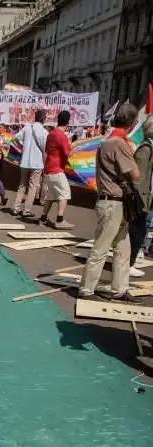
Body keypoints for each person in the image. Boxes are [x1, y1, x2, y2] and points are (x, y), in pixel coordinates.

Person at [79, 104, 142, 305]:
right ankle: (86, 289)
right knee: (102, 247)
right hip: (113, 203)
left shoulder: (108, 140)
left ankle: (120, 289)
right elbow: (135, 175)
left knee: (123, 249)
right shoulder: (118, 143)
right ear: (132, 123)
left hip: (114, 203)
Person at [39, 110, 74, 230]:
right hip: (56, 169)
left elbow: (48, 150)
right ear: (68, 122)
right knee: (65, 193)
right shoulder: (61, 136)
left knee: (51, 196)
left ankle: (43, 218)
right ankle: (60, 220)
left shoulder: (52, 133)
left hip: (49, 169)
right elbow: (67, 153)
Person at [128, 114, 153, 274]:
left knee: (140, 232)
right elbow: (139, 177)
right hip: (140, 199)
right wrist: (141, 200)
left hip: (145, 197)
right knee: (137, 232)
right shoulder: (145, 149)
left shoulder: (149, 146)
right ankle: (128, 264)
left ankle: (129, 262)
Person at [13, 108, 47, 219]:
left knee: (22, 185)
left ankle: (16, 208)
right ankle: (26, 210)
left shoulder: (27, 128)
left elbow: (15, 139)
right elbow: (46, 149)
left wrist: (22, 147)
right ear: (43, 119)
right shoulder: (45, 132)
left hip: (25, 161)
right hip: (37, 163)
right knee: (33, 187)